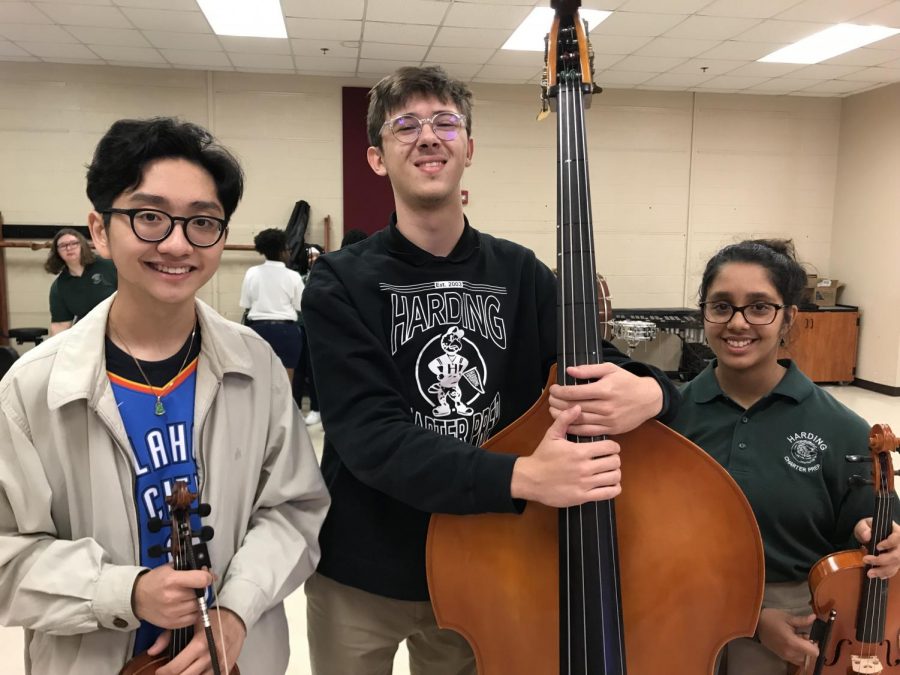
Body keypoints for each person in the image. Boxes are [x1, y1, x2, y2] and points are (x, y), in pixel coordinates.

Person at [301, 65, 681, 675]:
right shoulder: (339, 282)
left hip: (483, 556)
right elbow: (371, 438)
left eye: (445, 122)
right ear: (377, 158)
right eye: (405, 126)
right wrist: (525, 477)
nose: (428, 136)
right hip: (362, 567)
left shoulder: (522, 272)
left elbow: (601, 367)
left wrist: (652, 391)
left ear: (469, 149)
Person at [0, 117, 329, 675]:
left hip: (235, 657)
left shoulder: (257, 366)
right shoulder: (31, 388)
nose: (177, 242)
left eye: (202, 222)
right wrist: (121, 592)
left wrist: (236, 609)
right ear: (100, 230)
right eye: (149, 217)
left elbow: (294, 510)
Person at [670, 239, 900, 674]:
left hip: (786, 625)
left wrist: (889, 546)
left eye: (760, 307)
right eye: (721, 306)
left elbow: (871, 542)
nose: (738, 323)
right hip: (677, 607)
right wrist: (747, 619)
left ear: (789, 317)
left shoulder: (843, 430)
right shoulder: (668, 419)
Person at [240, 227, 304, 382]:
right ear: (282, 251)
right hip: (286, 331)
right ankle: (285, 406)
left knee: (259, 378)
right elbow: (300, 306)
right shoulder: (293, 276)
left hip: (257, 331)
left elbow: (246, 303)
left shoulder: (252, 273)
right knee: (285, 380)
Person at [45, 227, 117, 335]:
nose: (69, 248)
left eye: (74, 243)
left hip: (122, 328)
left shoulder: (108, 265)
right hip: (90, 334)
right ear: (57, 252)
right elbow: (60, 325)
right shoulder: (59, 287)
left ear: (82, 245)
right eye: (63, 246)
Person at [294, 243, 325, 426]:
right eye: (310, 256)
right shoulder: (296, 278)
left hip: (319, 330)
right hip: (298, 328)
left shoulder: (327, 277)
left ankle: (317, 408)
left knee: (314, 370)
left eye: (316, 256)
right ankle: (296, 407)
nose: (313, 260)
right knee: (298, 369)